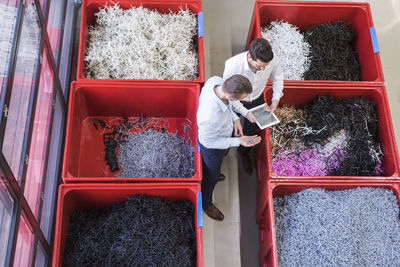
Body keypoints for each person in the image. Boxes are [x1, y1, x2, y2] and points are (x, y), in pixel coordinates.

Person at [197, 74, 261, 221]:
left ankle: (213, 171)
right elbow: (209, 142)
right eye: (239, 99)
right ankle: (206, 203)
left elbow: (229, 107)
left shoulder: (216, 81)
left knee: (219, 161)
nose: (240, 102)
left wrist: (236, 119)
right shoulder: (209, 116)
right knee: (211, 176)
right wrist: (239, 142)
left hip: (223, 133)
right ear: (231, 97)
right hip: (212, 146)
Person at [223, 38, 284, 174]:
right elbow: (229, 94)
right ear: (250, 57)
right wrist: (245, 113)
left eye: (265, 66)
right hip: (235, 101)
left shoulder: (271, 59)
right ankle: (226, 147)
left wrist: (275, 99)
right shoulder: (233, 65)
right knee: (229, 127)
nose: (263, 69)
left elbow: (278, 77)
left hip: (256, 98)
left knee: (252, 129)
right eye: (259, 66)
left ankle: (244, 152)